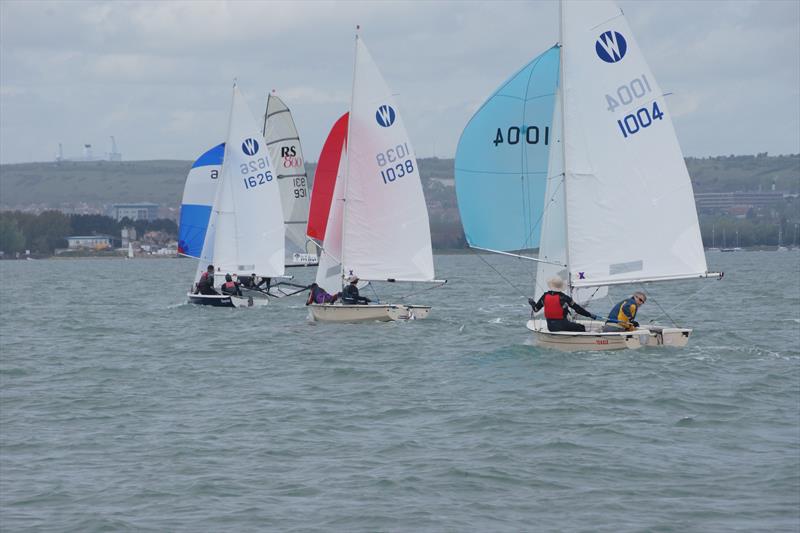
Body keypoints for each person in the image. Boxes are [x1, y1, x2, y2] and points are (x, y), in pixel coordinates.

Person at [528, 277, 597, 332]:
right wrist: (590, 315)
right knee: (581, 327)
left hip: (551, 327)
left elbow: (536, 309)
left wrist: (532, 303)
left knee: (571, 324)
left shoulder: (545, 296)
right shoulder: (565, 298)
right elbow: (578, 309)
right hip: (563, 325)